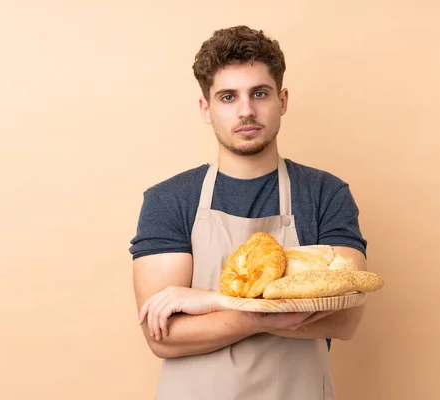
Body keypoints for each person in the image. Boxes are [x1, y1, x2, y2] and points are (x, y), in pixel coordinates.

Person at [129, 25, 369, 400]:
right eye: (228, 97)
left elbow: (344, 315)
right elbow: (165, 336)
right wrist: (282, 312)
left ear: (283, 100)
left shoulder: (325, 193)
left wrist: (212, 302)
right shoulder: (169, 199)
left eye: (259, 93)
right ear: (205, 109)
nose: (246, 111)